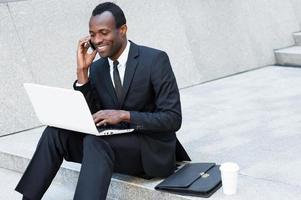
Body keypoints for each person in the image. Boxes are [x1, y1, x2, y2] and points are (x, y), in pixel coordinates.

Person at [15, 2, 190, 200]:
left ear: (122, 30)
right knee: (54, 133)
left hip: (148, 150)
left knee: (96, 142)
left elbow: (173, 118)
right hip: (109, 146)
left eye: (103, 32)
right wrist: (82, 73)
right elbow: (92, 118)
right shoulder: (97, 68)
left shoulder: (155, 60)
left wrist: (124, 115)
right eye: (92, 34)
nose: (97, 40)